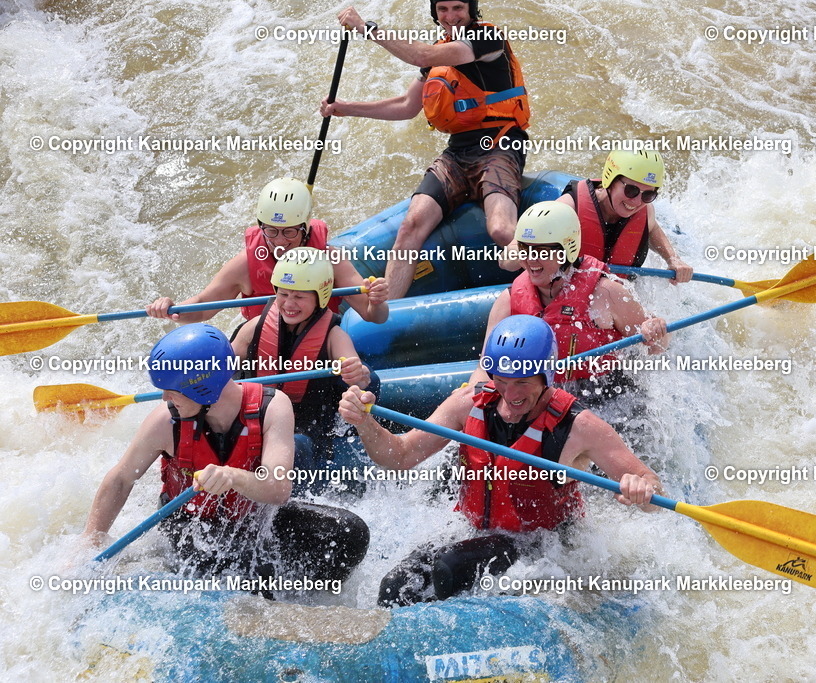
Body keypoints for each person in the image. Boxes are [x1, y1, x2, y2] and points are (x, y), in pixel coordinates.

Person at [338, 315, 663, 606]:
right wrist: (366, 424)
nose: (511, 393)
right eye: (502, 380)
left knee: (451, 566)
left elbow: (651, 490)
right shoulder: (467, 404)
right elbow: (401, 456)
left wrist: (639, 488)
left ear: (546, 375)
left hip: (543, 544)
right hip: (476, 530)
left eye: (522, 382)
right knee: (395, 587)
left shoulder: (580, 426)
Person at [82, 324, 369, 588]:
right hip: (191, 526)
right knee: (254, 570)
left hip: (256, 518)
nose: (165, 399)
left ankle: (309, 598)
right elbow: (121, 479)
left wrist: (232, 476)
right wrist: (90, 541)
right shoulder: (165, 422)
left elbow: (279, 489)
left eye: (172, 391)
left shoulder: (272, 406)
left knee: (349, 532)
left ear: (203, 387)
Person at [321, 1, 531, 299]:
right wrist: (345, 108)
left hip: (500, 143)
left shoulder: (486, 38)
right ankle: (387, 315)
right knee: (410, 226)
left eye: (458, 7)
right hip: (457, 154)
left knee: (500, 229)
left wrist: (365, 27)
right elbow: (406, 106)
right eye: (442, 9)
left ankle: (561, 279)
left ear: (471, 10)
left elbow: (420, 54)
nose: (450, 16)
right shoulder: (438, 55)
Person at [470, 201, 670, 388]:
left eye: (541, 251)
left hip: (606, 393)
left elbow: (658, 348)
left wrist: (655, 330)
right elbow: (484, 366)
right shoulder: (509, 300)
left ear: (567, 251)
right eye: (524, 249)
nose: (530, 259)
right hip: (541, 396)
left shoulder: (606, 294)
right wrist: (471, 391)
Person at [147, 177, 389, 324]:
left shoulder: (330, 258)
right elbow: (201, 309)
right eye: (271, 231)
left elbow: (373, 316)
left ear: (305, 229)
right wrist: (171, 310)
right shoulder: (245, 265)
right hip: (265, 347)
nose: (280, 242)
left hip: (319, 345)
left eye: (289, 232)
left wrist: (377, 302)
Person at [231, 247, 377, 466]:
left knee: (295, 445)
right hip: (256, 418)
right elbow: (222, 365)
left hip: (306, 429)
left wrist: (359, 374)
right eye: (283, 294)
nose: (289, 304)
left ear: (321, 296)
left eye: (299, 296)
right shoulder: (253, 328)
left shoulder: (334, 336)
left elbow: (360, 378)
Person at [557, 150, 693, 284]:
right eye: (631, 190)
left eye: (648, 195)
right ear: (610, 181)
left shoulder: (646, 211)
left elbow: (652, 229)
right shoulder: (567, 209)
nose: (637, 202)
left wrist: (672, 258)